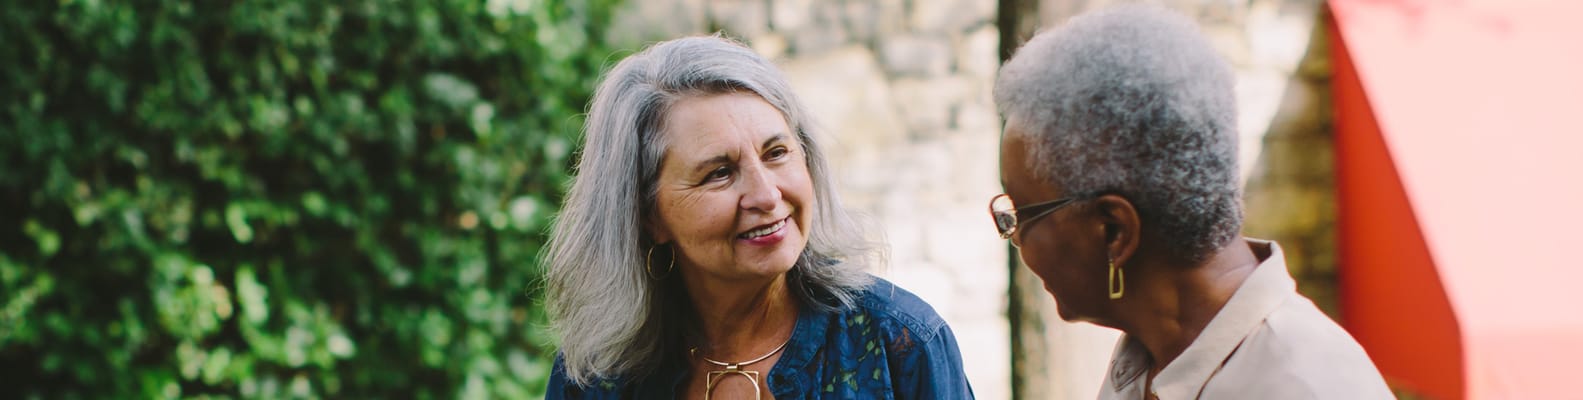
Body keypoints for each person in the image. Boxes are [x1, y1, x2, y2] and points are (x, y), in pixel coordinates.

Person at [991, 6, 1393, 399]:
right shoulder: (1152, 353)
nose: (1015, 236)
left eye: (1023, 213)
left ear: (1114, 231)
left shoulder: (1306, 385)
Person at [542, 35, 973, 399]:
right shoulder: (599, 373)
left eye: (777, 153)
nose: (767, 195)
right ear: (647, 215)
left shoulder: (900, 344)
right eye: (719, 173)